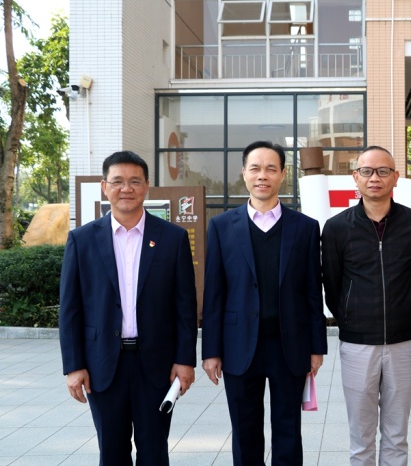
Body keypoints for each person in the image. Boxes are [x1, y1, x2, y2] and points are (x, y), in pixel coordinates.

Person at [59, 150, 198, 465]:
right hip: (103, 366)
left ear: (146, 186)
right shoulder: (82, 240)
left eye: (135, 181)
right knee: (112, 452)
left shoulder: (172, 238)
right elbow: (70, 309)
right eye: (118, 181)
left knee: (154, 451)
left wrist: (184, 360)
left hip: (157, 365)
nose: (126, 188)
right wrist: (74, 366)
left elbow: (185, 306)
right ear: (104, 186)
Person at [201, 141, 327, 465]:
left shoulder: (305, 228)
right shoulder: (221, 227)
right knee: (245, 433)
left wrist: (317, 348)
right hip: (239, 345)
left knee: (288, 431)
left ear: (283, 174)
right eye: (255, 168)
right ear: (244, 173)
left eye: (271, 169)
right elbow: (214, 294)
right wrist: (211, 350)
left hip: (290, 346)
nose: (262, 176)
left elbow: (313, 292)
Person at [321, 145, 411, 465]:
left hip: (403, 342)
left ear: (395, 177)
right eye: (367, 171)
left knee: (397, 435)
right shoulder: (337, 227)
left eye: (383, 171)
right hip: (357, 344)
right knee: (361, 437)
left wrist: (407, 308)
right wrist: (349, 316)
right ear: (355, 177)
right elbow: (332, 283)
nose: (375, 178)